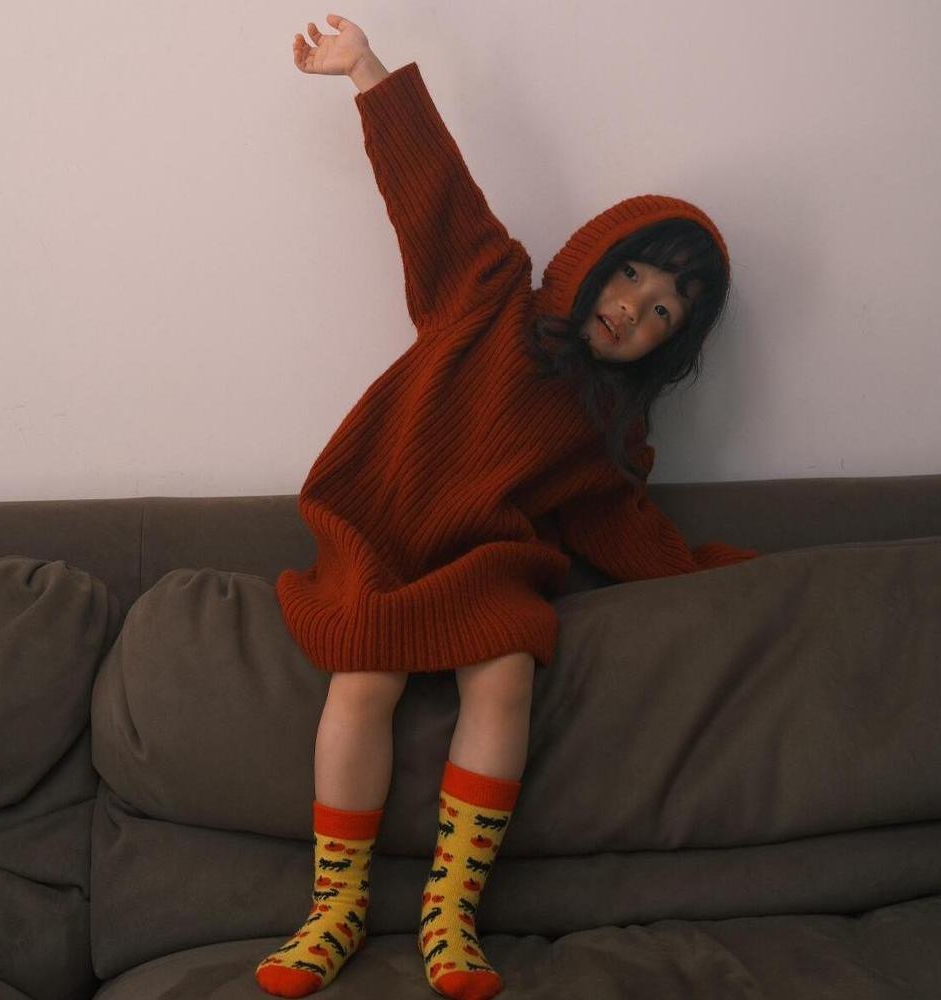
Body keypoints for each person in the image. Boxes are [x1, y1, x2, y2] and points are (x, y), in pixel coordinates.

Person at [256, 14, 760, 1000]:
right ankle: (336, 902)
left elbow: (621, 527)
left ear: (669, 345)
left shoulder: (608, 429)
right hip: (379, 530)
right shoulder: (486, 289)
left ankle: (451, 908)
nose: (635, 307)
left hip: (487, 559)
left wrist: (709, 576)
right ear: (590, 260)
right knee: (362, 674)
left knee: (504, 670)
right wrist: (365, 69)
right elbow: (432, 191)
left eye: (664, 310)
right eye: (631, 274)